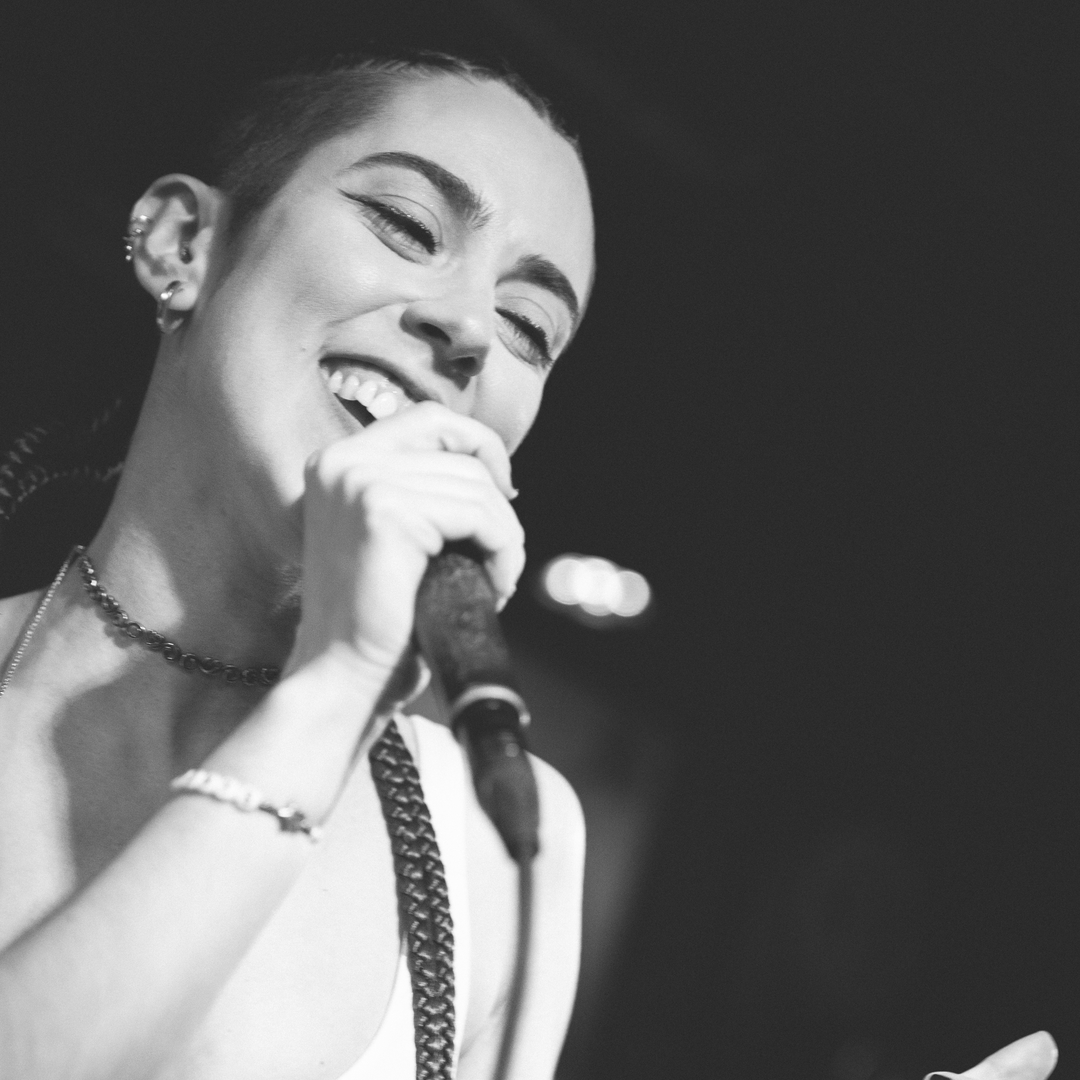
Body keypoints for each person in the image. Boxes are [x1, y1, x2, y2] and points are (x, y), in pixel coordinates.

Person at [0, 53, 591, 1080]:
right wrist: (332, 690)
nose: (468, 330)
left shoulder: (492, 836)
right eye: (407, 226)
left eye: (527, 327)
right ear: (184, 244)